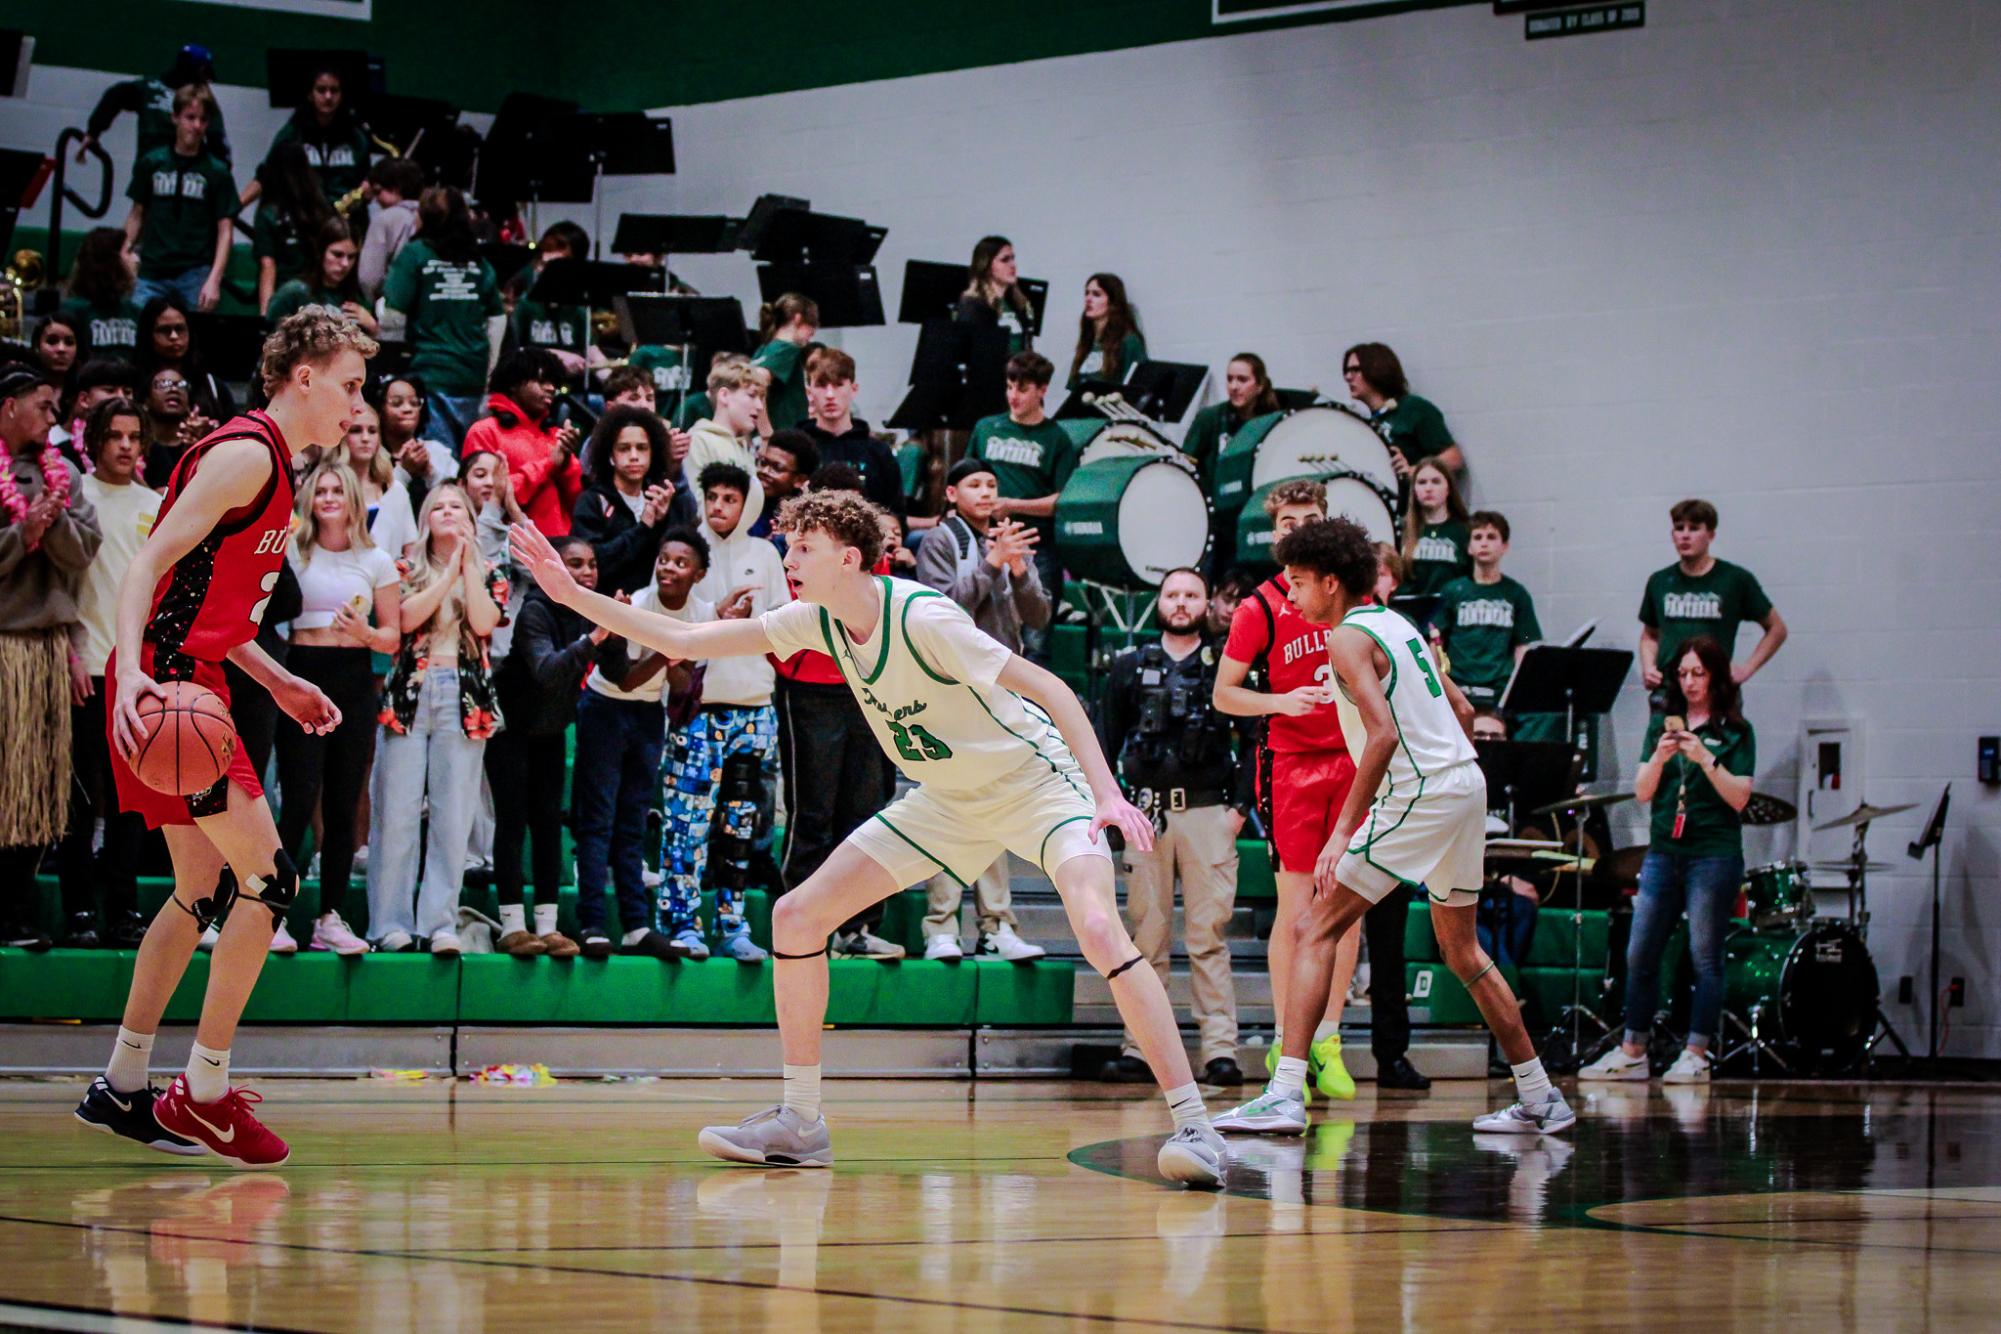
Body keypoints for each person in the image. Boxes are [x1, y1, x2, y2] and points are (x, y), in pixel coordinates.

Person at [508, 490, 1229, 1188]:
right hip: (946, 797)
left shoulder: (924, 617)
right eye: (789, 545)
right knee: (795, 915)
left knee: (1100, 927)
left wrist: (1104, 791)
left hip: (1036, 787)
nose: (788, 558)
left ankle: (1197, 1128)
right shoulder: (815, 620)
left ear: (851, 558)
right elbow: (684, 638)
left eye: (804, 547)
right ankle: (800, 1119)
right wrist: (569, 596)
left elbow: (1053, 689)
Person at [74, 308, 367, 1166]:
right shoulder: (246, 455)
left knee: (199, 888)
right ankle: (202, 1092)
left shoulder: (269, 463)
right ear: (303, 375)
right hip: (170, 693)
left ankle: (123, 1083)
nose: (359, 402)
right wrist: (132, 672)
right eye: (350, 385)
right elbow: (148, 563)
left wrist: (278, 677)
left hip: (184, 681)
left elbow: (209, 600)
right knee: (269, 881)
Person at [1215, 517, 1576, 1138]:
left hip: (1424, 791)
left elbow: (1382, 734)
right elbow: (1462, 708)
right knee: (1461, 950)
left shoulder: (1348, 639)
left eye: (1299, 583)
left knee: (1311, 925)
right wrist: (1448, 773)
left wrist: (1343, 833)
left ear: (1331, 583)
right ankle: (1542, 1096)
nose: (1293, 596)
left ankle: (1282, 1095)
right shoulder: (1398, 623)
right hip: (1465, 783)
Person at [1211, 480, 1368, 1101]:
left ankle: (1327, 1036)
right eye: (1288, 520)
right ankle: (1287, 1043)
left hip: (1355, 760)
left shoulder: (1350, 599)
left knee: (1348, 900)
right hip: (1292, 765)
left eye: (1310, 518)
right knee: (1298, 907)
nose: (1297, 528)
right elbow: (1225, 694)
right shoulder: (1260, 606)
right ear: (1274, 531)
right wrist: (1280, 700)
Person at [1098, 567, 1251, 1086]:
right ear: (1158, 602)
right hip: (1146, 813)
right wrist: (1113, 805)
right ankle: (1141, 1049)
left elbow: (1255, 738)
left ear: (1208, 603)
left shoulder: (1226, 668)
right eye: (1172, 594)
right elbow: (1103, 742)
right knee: (1148, 934)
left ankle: (1219, 1050)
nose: (1181, 602)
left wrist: (1241, 809)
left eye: (1192, 594)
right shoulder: (1126, 667)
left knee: (1209, 935)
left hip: (1210, 812)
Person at [1581, 636, 1754, 1086]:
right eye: (1683, 674)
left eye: (1699, 673)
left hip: (1712, 854)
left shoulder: (1736, 730)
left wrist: (1705, 758)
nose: (1690, 682)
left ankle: (1696, 1051)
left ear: (1715, 676)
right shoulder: (1662, 724)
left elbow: (1740, 798)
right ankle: (1634, 1049)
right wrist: (1659, 756)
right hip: (1664, 852)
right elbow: (1642, 790)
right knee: (1640, 951)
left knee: (1704, 955)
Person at [913, 457, 1052, 961]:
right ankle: (941, 925)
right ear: (951, 494)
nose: (986, 492)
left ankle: (996, 925)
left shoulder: (1006, 539)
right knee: (950, 801)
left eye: (992, 484)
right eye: (974, 484)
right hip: (949, 687)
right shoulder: (938, 542)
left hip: (1000, 688)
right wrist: (992, 564)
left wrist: (1018, 569)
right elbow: (938, 612)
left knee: (996, 802)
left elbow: (1039, 615)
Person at [768, 470, 902, 958]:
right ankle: (802, 925)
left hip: (868, 691)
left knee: (865, 811)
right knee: (813, 811)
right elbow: (783, 622)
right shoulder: (803, 553)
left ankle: (858, 929)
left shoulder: (867, 558)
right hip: (810, 691)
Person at [367, 482, 505, 955]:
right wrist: (445, 577)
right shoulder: (404, 568)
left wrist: (467, 566)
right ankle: (390, 923)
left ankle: (439, 923)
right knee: (398, 813)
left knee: (453, 817)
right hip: (410, 696)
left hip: (465, 701)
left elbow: (485, 622)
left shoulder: (489, 571)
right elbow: (406, 620)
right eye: (439, 507)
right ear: (425, 519)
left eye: (457, 507)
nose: (448, 512)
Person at [655, 463, 785, 961]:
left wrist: (746, 627)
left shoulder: (766, 555)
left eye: (730, 498)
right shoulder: (685, 554)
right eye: (712, 497)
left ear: (747, 503)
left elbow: (781, 627)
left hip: (754, 710)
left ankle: (732, 925)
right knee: (685, 825)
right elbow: (668, 620)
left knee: (740, 828)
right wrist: (719, 621)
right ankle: (681, 924)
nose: (719, 507)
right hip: (698, 712)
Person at [275, 459, 399, 955]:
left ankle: (329, 918)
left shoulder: (377, 561)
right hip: (302, 672)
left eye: (336, 490)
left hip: (353, 680)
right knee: (300, 799)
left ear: (351, 498)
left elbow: (391, 637)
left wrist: (365, 633)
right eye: (319, 490)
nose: (328, 497)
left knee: (345, 805)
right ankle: (271, 917)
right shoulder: (292, 551)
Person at [572, 527, 713, 960]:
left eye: (680, 562)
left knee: (633, 821)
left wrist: (675, 657)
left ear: (699, 574)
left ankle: (635, 925)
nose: (668, 567)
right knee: (598, 821)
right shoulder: (635, 603)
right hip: (604, 706)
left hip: (649, 714)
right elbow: (625, 677)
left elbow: (684, 682)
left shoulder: (703, 613)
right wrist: (668, 646)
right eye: (664, 559)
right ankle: (592, 922)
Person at [0, 367, 101, 952]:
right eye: (42, 406)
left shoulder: (64, 476)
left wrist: (50, 518)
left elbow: (84, 551)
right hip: (2, 643)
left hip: (41, 654)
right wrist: (19, 534)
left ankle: (15, 912)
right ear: (9, 407)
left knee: (34, 792)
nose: (52, 417)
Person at [57, 398, 160, 948]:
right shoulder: (77, 496)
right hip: (82, 668)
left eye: (134, 436)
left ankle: (123, 909)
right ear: (94, 440)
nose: (125, 445)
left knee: (128, 803)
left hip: (135, 676)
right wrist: (72, 653)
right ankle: (78, 912)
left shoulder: (159, 503)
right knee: (79, 798)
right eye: (114, 435)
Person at [487, 536, 604, 958]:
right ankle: (513, 925)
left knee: (549, 826)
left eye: (591, 564)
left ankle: (549, 927)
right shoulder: (536, 609)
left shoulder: (590, 612)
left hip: (550, 731)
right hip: (512, 730)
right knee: (513, 823)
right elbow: (547, 669)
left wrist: (623, 631)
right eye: (575, 563)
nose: (586, 571)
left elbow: (621, 670)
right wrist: (595, 638)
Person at [966, 351, 1075, 662]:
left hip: (1035, 545)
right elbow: (965, 476)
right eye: (1010, 386)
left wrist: (1014, 504)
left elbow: (1062, 500)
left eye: (1022, 389)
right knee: (980, 626)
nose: (1013, 395)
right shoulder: (987, 427)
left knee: (1036, 637)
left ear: (1042, 390)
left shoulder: (1056, 438)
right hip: (986, 541)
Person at [380, 186, 506, 450]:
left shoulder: (415, 254)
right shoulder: (478, 262)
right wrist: (488, 373)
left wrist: (392, 370)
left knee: (437, 461)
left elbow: (393, 317)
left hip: (430, 375)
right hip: (472, 375)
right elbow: (497, 320)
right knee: (467, 460)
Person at [1637, 498, 1786, 692]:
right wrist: (1649, 667)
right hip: (1670, 690)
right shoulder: (1659, 581)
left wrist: (1747, 669)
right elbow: (1649, 635)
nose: (1685, 535)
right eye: (1679, 528)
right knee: (1668, 724)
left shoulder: (1734, 579)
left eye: (1694, 528)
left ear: (1710, 535)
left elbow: (1777, 629)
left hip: (1716, 690)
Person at [124, 85, 236, 311]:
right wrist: (125, 251)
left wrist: (214, 279)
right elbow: (137, 213)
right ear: (175, 117)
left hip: (195, 272)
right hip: (152, 270)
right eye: (190, 117)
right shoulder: (152, 163)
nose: (196, 126)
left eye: (203, 120)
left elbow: (225, 230)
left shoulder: (217, 171)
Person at [460, 349, 583, 538]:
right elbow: (486, 498)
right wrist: (548, 465)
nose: (551, 388)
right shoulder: (484, 431)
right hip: (508, 549)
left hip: (559, 546)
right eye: (542, 381)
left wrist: (567, 463)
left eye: (554, 383)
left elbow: (577, 503)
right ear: (513, 384)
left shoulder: (555, 435)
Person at [1434, 510, 1542, 712]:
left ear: (1504, 546)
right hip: (1459, 688)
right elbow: (1436, 640)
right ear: (1469, 547)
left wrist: (1516, 689)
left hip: (1499, 690)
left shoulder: (1517, 594)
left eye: (1491, 537)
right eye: (1477, 537)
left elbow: (1524, 645)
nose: (1484, 543)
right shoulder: (1452, 591)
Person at [80, 46, 233, 186]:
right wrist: (220, 176)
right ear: (200, 71)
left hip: (149, 174)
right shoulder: (200, 100)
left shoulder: (148, 87)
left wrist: (93, 132)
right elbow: (218, 142)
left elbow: (115, 95)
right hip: (183, 179)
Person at [569, 405, 681, 595]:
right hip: (605, 610)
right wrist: (643, 528)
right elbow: (593, 564)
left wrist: (663, 522)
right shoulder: (592, 501)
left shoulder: (659, 498)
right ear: (611, 456)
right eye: (624, 449)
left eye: (642, 448)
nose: (634, 456)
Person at [798, 349, 903, 521]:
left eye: (838, 384)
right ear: (809, 392)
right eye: (821, 385)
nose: (830, 395)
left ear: (853, 389)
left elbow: (896, 515)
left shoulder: (878, 452)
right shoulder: (796, 449)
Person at [1343, 342, 1465, 479]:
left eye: (1355, 370)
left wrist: (1414, 471)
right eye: (1346, 371)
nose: (1348, 377)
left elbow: (1454, 459)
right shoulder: (1367, 420)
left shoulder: (1413, 409)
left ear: (1376, 369)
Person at [259, 63, 371, 210]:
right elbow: (264, 175)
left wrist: (368, 188)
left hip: (347, 220)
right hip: (305, 217)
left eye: (334, 90)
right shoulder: (292, 133)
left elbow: (367, 178)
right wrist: (236, 207)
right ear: (310, 95)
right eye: (321, 90)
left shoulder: (357, 136)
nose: (328, 96)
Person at [684, 354, 768, 526]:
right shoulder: (699, 441)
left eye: (761, 398)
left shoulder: (743, 447)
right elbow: (697, 506)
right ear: (724, 396)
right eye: (752, 395)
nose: (759, 406)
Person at [251, 142, 333, 315]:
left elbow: (268, 264)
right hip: (318, 293)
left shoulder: (268, 214)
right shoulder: (320, 209)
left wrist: (265, 312)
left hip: (284, 295)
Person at [511, 222, 596, 377]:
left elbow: (591, 351)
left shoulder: (578, 308)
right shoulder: (526, 304)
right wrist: (556, 355)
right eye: (544, 261)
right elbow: (514, 351)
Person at [334, 402, 418, 559]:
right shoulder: (327, 489)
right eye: (356, 430)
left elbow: (411, 551)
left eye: (372, 431)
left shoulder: (396, 490)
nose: (366, 438)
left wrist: (404, 569)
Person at [1182, 353, 1280, 487]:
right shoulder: (1209, 417)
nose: (1234, 386)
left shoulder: (1271, 420)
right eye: (1229, 379)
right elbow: (1185, 461)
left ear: (1260, 385)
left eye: (1242, 380)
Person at [266, 218, 378, 335]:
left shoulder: (358, 298)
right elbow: (270, 342)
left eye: (351, 257)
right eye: (337, 255)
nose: (345, 264)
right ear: (321, 252)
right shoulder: (293, 293)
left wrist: (373, 327)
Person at [136, 294, 233, 425]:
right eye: (164, 330)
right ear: (148, 335)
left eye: (179, 329)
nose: (174, 336)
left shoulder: (212, 386)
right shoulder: (134, 383)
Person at [371, 372, 460, 512]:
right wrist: (404, 471)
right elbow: (375, 509)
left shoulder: (437, 452)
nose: (408, 409)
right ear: (380, 410)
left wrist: (429, 472)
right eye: (397, 403)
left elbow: (458, 501)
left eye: (414, 403)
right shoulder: (370, 455)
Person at [1397, 457, 1472, 607]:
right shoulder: (1401, 530)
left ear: (1448, 488)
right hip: (1410, 612)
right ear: (1414, 490)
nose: (1428, 488)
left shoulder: (1465, 531)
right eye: (1422, 482)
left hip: (1451, 612)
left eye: (1436, 482)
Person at [60, 228, 144, 361]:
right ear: (109, 259)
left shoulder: (135, 312)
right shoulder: (72, 312)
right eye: (129, 251)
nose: (136, 259)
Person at [357, 158, 426, 303]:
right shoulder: (432, 215)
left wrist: (375, 306)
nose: (375, 199)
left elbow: (369, 277)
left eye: (377, 191)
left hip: (393, 304)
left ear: (395, 189)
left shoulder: (383, 219)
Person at [751, 293, 819, 432]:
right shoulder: (787, 349)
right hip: (785, 435)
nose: (813, 332)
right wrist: (765, 430)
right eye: (812, 323)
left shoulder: (764, 349)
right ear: (797, 318)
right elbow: (756, 382)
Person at [955, 235, 1034, 354]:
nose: (1013, 265)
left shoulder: (1017, 303)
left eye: (1013, 258)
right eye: (1005, 260)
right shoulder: (973, 305)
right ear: (986, 265)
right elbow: (972, 349)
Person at [1067, 273, 1145, 391]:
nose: (1088, 299)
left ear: (1112, 302)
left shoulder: (1129, 341)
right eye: (1087, 293)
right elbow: (1074, 388)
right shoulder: (1088, 343)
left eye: (1096, 294)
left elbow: (1136, 387)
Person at [750, 428, 818, 548]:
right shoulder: (745, 504)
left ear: (799, 480)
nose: (765, 471)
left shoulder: (806, 519)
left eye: (777, 468)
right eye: (763, 463)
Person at [34, 314, 83, 393]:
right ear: (37, 346)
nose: (61, 349)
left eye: (69, 342)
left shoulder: (86, 388)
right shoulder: (24, 387)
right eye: (52, 341)